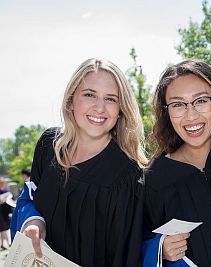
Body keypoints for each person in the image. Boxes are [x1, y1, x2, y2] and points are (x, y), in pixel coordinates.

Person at [11, 58, 147, 266]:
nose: (99, 107)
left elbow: (125, 256)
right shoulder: (50, 147)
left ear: (121, 108)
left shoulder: (127, 176)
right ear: (71, 99)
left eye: (111, 99)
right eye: (89, 94)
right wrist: (33, 221)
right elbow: (29, 197)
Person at [142, 60, 211, 266]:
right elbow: (132, 244)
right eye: (178, 104)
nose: (191, 115)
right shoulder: (154, 181)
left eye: (201, 101)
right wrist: (160, 249)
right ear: (166, 112)